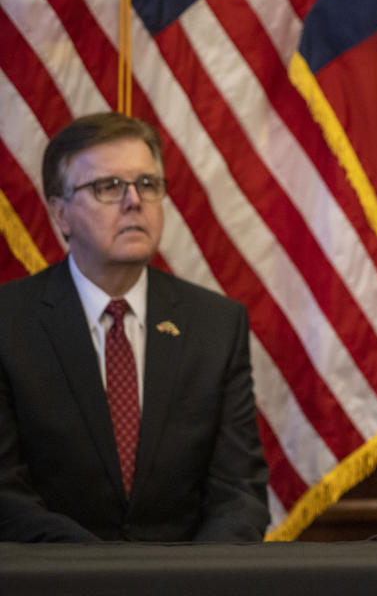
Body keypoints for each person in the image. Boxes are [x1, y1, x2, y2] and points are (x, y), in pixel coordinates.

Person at [0, 112, 269, 542]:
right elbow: (5, 496)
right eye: (108, 187)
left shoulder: (215, 325)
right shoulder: (9, 323)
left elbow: (239, 493)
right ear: (61, 213)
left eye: (147, 184)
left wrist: (197, 581)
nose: (134, 201)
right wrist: (109, 578)